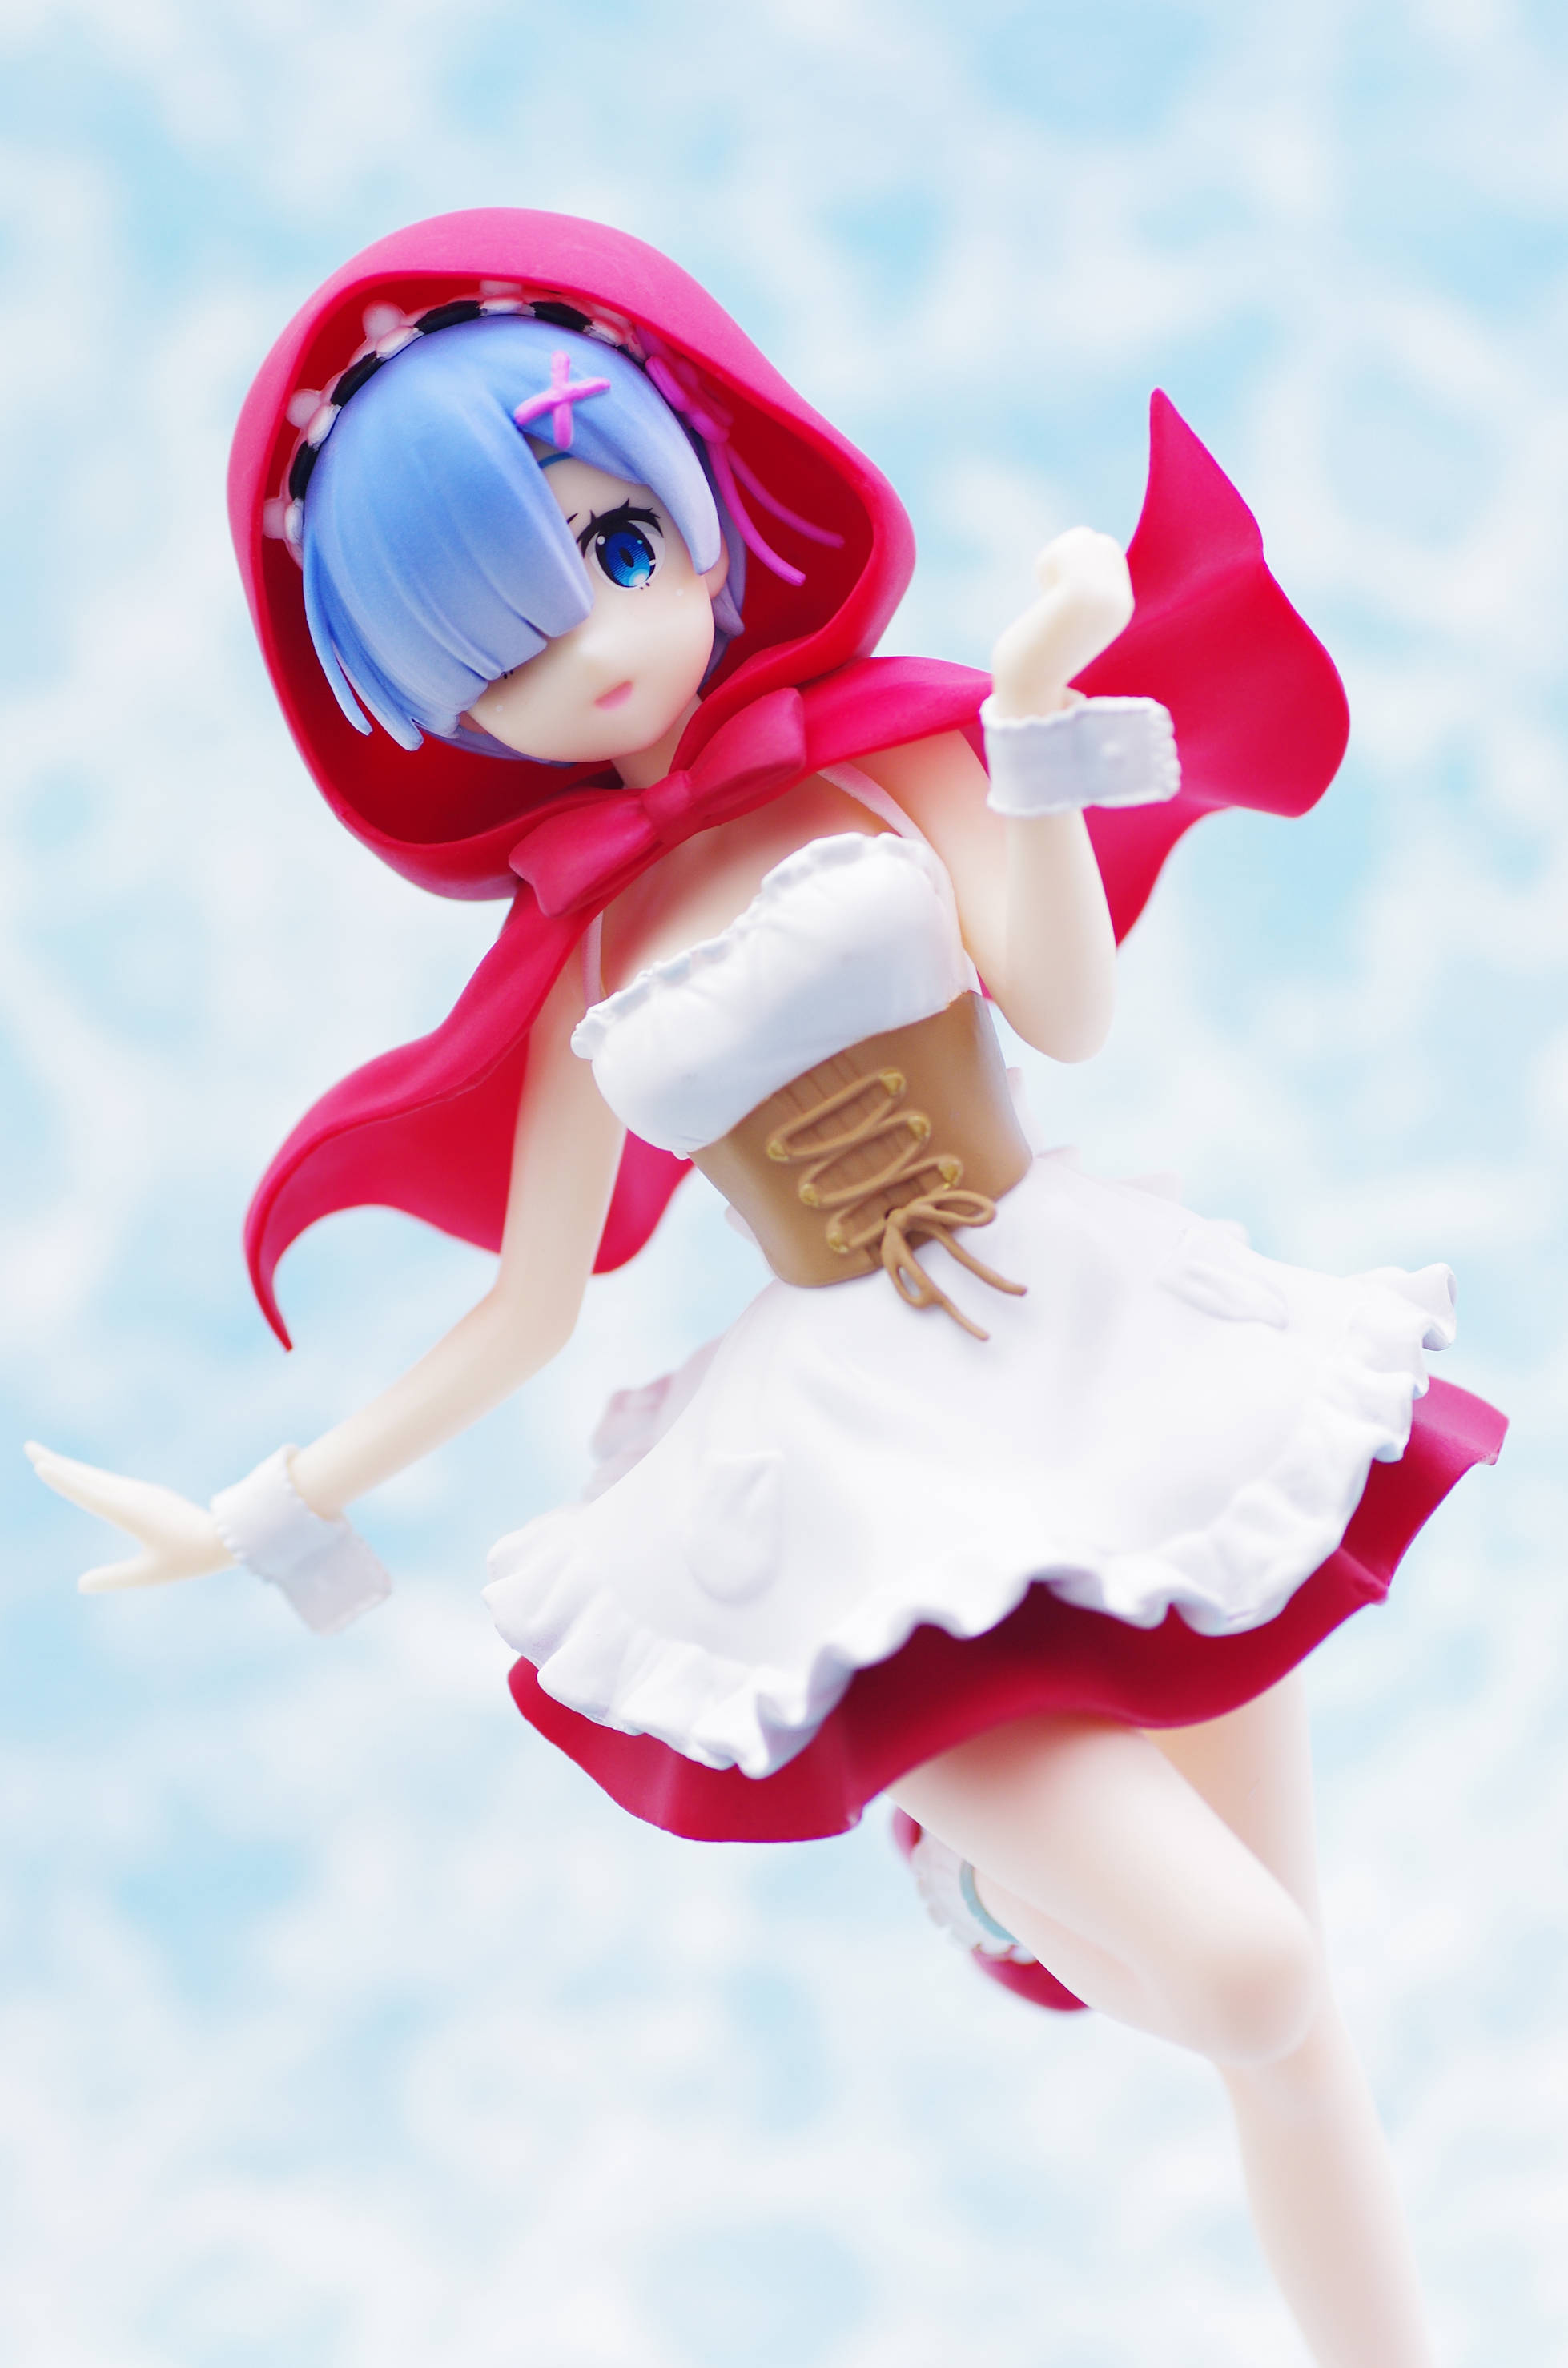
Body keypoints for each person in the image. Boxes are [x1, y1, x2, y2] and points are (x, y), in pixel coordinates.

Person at [28, 211, 1504, 2368]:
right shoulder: (583, 957)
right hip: (856, 1473)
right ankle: (980, 1869)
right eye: (495, 644)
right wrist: (267, 1508)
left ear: (703, 495)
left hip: (1110, 1354)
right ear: (427, 710)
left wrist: (1026, 724)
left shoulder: (884, 761)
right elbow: (530, 1311)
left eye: (619, 547)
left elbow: (1067, 1012)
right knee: (1252, 1973)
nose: (594, 649)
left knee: (1301, 2010)